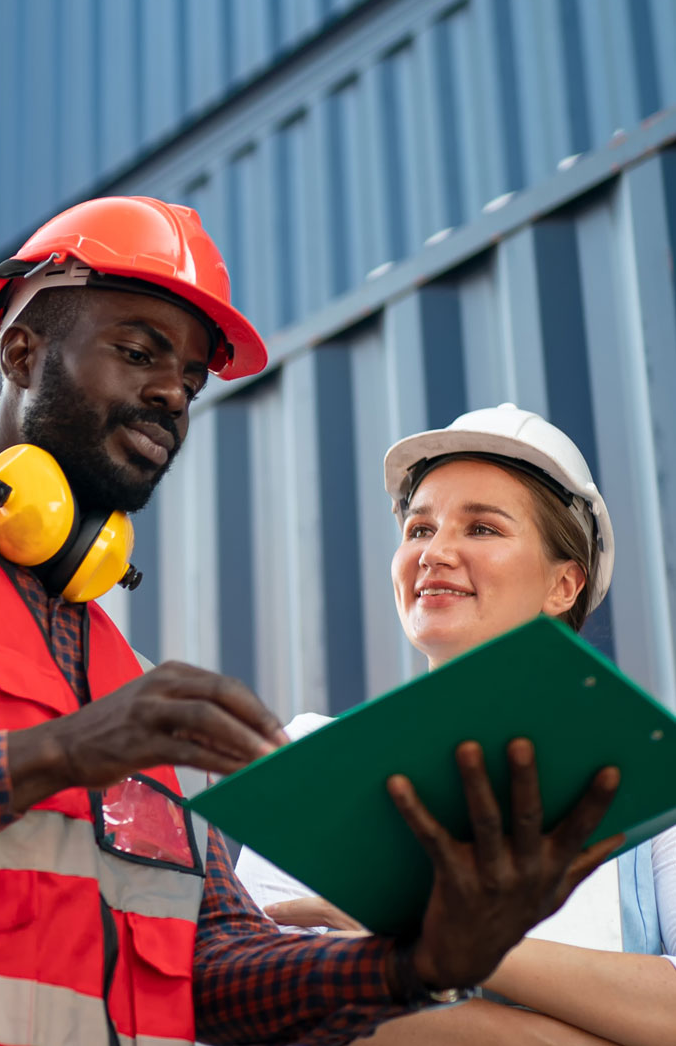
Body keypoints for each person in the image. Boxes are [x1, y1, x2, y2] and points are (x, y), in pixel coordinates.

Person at [0, 197, 620, 1046]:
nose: (171, 391)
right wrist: (52, 756)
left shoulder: (125, 682)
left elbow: (216, 972)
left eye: (192, 380)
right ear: (22, 349)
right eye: (138, 350)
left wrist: (416, 964)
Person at [236, 403, 676, 1045]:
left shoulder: (654, 775)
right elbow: (262, 1009)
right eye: (418, 530)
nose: (434, 552)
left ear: (564, 584)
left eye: (483, 529)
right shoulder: (311, 759)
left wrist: (431, 945)